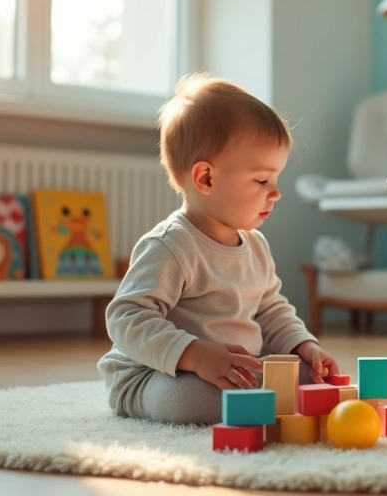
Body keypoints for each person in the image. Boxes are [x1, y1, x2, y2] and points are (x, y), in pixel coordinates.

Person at [98, 73, 339, 424]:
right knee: (197, 401)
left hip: (232, 370)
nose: (276, 193)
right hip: (156, 374)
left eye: (276, 179)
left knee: (309, 377)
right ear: (206, 178)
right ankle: (256, 398)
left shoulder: (255, 245)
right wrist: (195, 355)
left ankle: (263, 394)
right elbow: (126, 318)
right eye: (261, 180)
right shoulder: (170, 245)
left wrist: (304, 345)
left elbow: (271, 311)